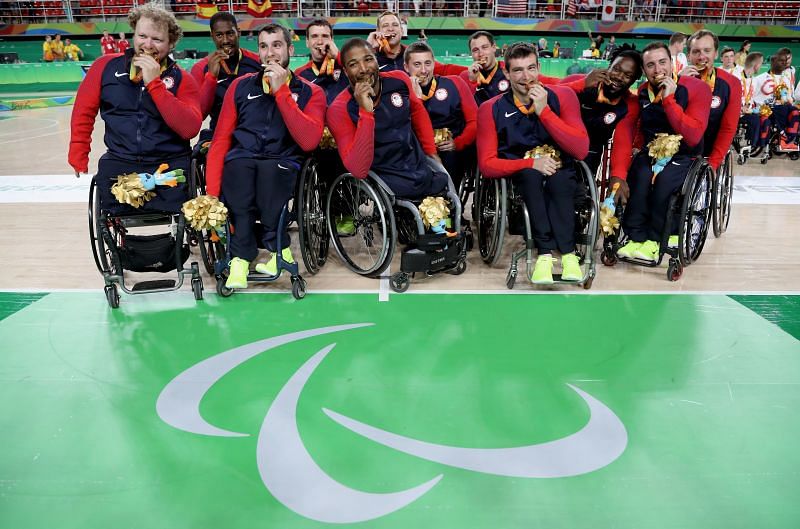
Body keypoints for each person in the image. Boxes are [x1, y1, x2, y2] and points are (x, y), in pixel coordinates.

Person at [206, 24, 325, 289]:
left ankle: (277, 250)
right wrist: (211, 195)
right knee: (237, 169)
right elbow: (222, 139)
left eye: (277, 45)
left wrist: (282, 91)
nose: (270, 53)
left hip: (282, 159)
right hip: (243, 157)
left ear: (291, 50)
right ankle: (240, 256)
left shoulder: (310, 92)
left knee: (271, 173)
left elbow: (309, 141)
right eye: (263, 46)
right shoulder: (240, 86)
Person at [69, 4, 202, 216]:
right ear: (134, 33)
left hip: (169, 164)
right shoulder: (104, 67)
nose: (147, 45)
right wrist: (78, 151)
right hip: (121, 160)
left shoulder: (183, 79)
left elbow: (189, 129)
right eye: (142, 36)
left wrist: (154, 85)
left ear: (171, 43)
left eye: (157, 39)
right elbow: (83, 112)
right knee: (109, 195)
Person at [476, 42, 589, 284]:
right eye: (517, 70)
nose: (525, 77)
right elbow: (486, 164)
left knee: (560, 179)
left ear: (539, 68)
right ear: (506, 73)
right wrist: (529, 165)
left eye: (530, 68)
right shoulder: (490, 108)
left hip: (560, 168)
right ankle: (545, 254)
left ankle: (569, 255)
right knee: (531, 177)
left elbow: (580, 149)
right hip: (522, 173)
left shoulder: (564, 96)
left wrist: (544, 111)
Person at [612, 41, 711, 263]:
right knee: (639, 174)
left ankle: (657, 239)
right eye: (650, 65)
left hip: (685, 154)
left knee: (665, 181)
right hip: (653, 151)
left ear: (672, 62)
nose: (658, 70)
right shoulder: (642, 92)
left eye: (662, 62)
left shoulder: (697, 89)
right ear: (644, 70)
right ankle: (636, 237)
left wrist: (669, 100)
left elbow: (694, 135)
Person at [327, 38, 447, 199]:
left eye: (368, 59)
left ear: (377, 60)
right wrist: (366, 112)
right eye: (353, 64)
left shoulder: (399, 80)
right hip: (383, 177)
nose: (363, 69)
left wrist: (431, 153)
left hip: (417, 167)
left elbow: (418, 113)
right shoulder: (339, 109)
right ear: (346, 71)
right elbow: (358, 169)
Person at [404, 40, 478, 193]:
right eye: (417, 65)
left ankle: (450, 206)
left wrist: (458, 143)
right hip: (416, 151)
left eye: (428, 63)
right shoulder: (399, 93)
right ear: (406, 67)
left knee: (452, 156)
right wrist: (415, 100)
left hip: (453, 150)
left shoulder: (455, 83)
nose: (424, 70)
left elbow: (474, 121)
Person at [559, 44, 642, 178]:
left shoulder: (629, 104)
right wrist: (582, 84)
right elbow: (549, 93)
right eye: (616, 69)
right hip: (558, 150)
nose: (619, 77)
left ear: (635, 79)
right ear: (608, 66)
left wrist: (618, 176)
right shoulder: (579, 81)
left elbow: (623, 141)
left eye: (628, 75)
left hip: (589, 159)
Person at [190, 12, 262, 142]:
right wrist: (211, 77)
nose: (225, 40)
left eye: (230, 33)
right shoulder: (200, 68)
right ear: (212, 36)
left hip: (255, 133)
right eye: (219, 35)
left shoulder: (257, 62)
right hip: (218, 134)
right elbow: (199, 115)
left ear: (238, 33)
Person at [681, 30, 742, 174]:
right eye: (696, 51)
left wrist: (713, 163)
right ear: (688, 55)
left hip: (710, 147)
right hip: (681, 148)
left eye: (707, 50)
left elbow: (728, 128)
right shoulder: (678, 80)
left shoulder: (731, 83)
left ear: (715, 53)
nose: (701, 56)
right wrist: (680, 86)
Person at [366, 11, 465, 75]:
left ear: (401, 30)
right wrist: (368, 47)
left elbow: (444, 70)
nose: (391, 29)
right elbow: (353, 75)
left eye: (395, 25)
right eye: (385, 26)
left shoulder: (413, 53)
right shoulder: (369, 57)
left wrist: (472, 71)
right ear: (377, 31)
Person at [295, 18, 349, 105]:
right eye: (314, 36)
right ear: (307, 42)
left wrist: (338, 56)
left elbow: (363, 77)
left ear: (332, 40)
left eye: (325, 36)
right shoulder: (300, 74)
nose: (320, 42)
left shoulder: (345, 66)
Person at [752, 48, 799, 145]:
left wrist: (788, 100)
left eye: (785, 61)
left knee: (794, 111)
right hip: (765, 109)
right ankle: (782, 135)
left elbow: (788, 97)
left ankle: (790, 138)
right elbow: (751, 97)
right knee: (778, 110)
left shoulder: (785, 79)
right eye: (781, 61)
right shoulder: (759, 79)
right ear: (773, 61)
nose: (784, 63)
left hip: (781, 108)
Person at [739, 52, 765, 150]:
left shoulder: (754, 80)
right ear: (756, 64)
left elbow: (750, 96)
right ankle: (751, 146)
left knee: (763, 118)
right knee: (755, 120)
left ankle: (751, 145)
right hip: (735, 111)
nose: (761, 66)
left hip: (747, 111)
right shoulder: (737, 77)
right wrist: (741, 107)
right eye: (761, 63)